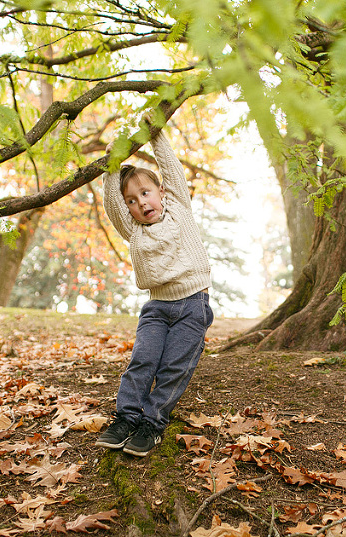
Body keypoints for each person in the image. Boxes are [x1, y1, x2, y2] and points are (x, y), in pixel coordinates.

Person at [95, 115, 214, 456]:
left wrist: (156, 133)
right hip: (157, 308)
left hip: (193, 305)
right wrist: (111, 165)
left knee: (174, 367)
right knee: (143, 360)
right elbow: (112, 205)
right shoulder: (134, 230)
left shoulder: (179, 209)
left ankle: (152, 422)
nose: (140, 203)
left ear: (161, 192)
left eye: (145, 193)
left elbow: (173, 170)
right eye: (132, 200)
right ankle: (126, 419)